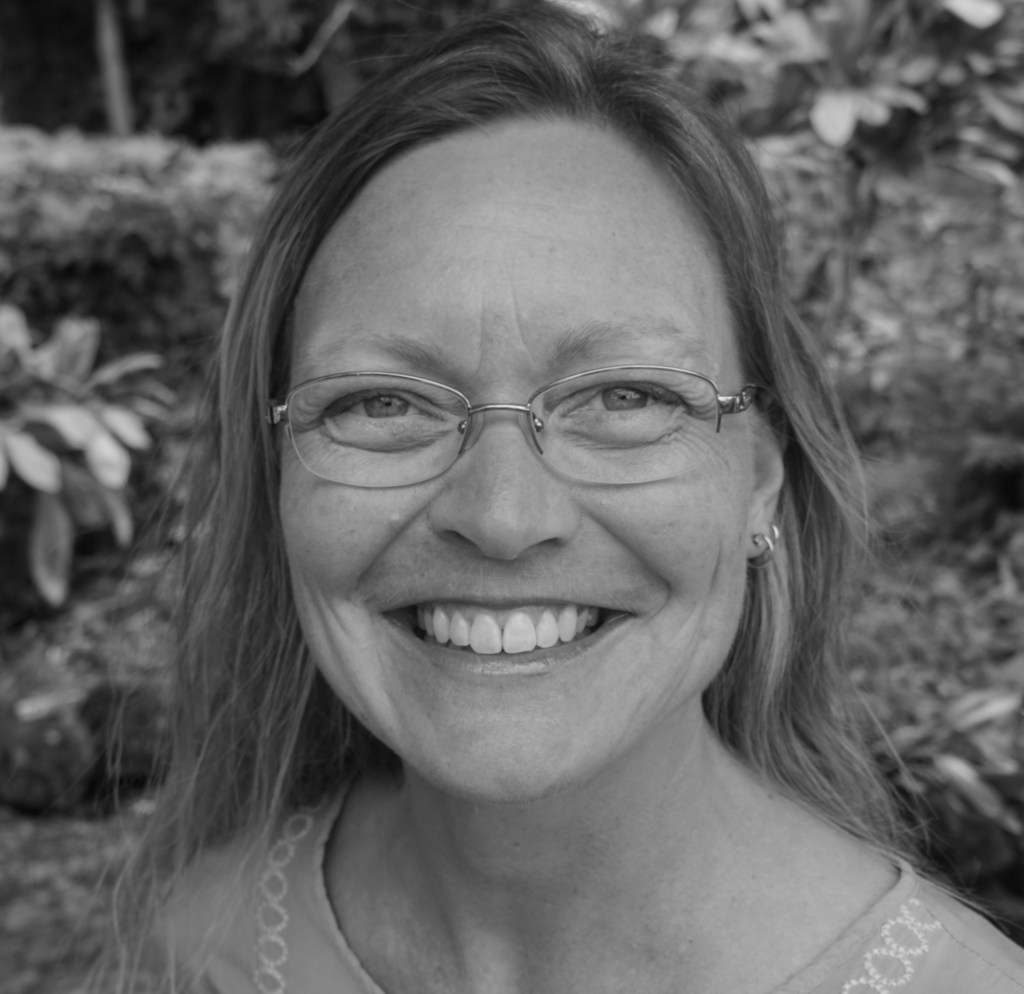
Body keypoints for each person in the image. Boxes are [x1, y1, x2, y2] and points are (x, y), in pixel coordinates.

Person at [109, 5, 1024, 993]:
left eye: (624, 398)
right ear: (279, 471)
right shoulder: (199, 950)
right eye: (383, 402)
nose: (503, 517)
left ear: (761, 478)